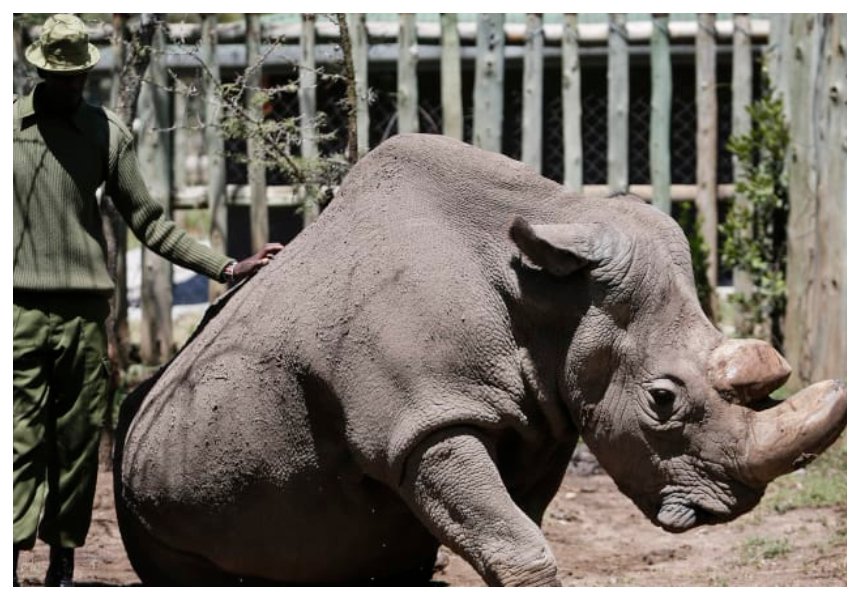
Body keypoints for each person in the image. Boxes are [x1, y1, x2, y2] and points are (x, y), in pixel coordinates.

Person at [13, 14, 284, 586]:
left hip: (85, 317)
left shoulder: (105, 132)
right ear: (37, 70)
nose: (69, 88)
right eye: (59, 78)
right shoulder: (9, 129)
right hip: (17, 313)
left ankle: (62, 567)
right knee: (18, 441)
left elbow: (149, 222)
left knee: (79, 443)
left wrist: (228, 266)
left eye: (78, 79)